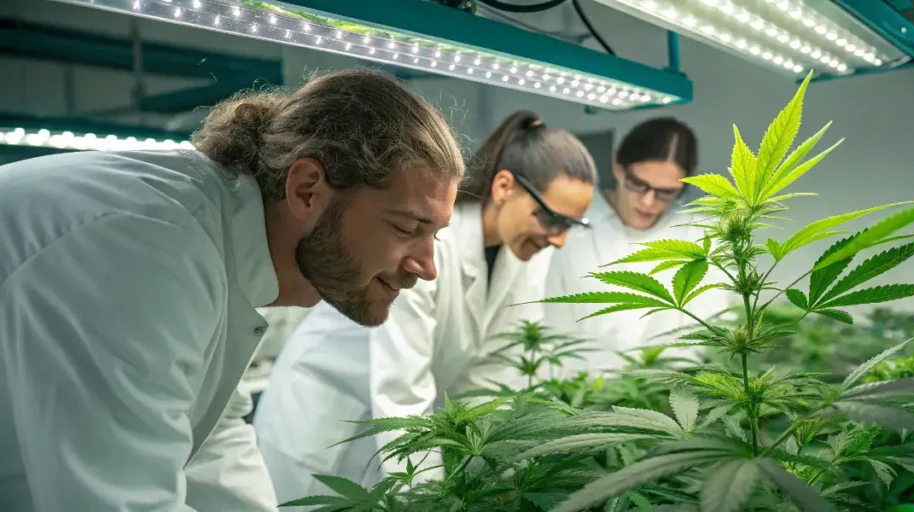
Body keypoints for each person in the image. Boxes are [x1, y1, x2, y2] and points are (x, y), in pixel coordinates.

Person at [0, 68, 464, 511]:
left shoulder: (219, 239)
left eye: (435, 235)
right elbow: (121, 502)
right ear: (306, 190)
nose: (428, 268)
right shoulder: (152, 248)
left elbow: (210, 441)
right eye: (407, 227)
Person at [253, 110, 597, 503]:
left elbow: (494, 377)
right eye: (552, 219)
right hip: (323, 422)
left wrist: (502, 483)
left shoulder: (526, 256)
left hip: (399, 433)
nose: (559, 240)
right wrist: (432, 501)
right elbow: (401, 392)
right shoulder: (429, 242)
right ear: (504, 187)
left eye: (571, 226)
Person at [544, 117, 731, 377]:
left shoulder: (700, 235)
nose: (648, 201)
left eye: (666, 192)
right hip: (580, 391)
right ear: (618, 167)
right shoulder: (568, 229)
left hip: (670, 392)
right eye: (638, 184)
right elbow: (549, 329)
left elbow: (715, 330)